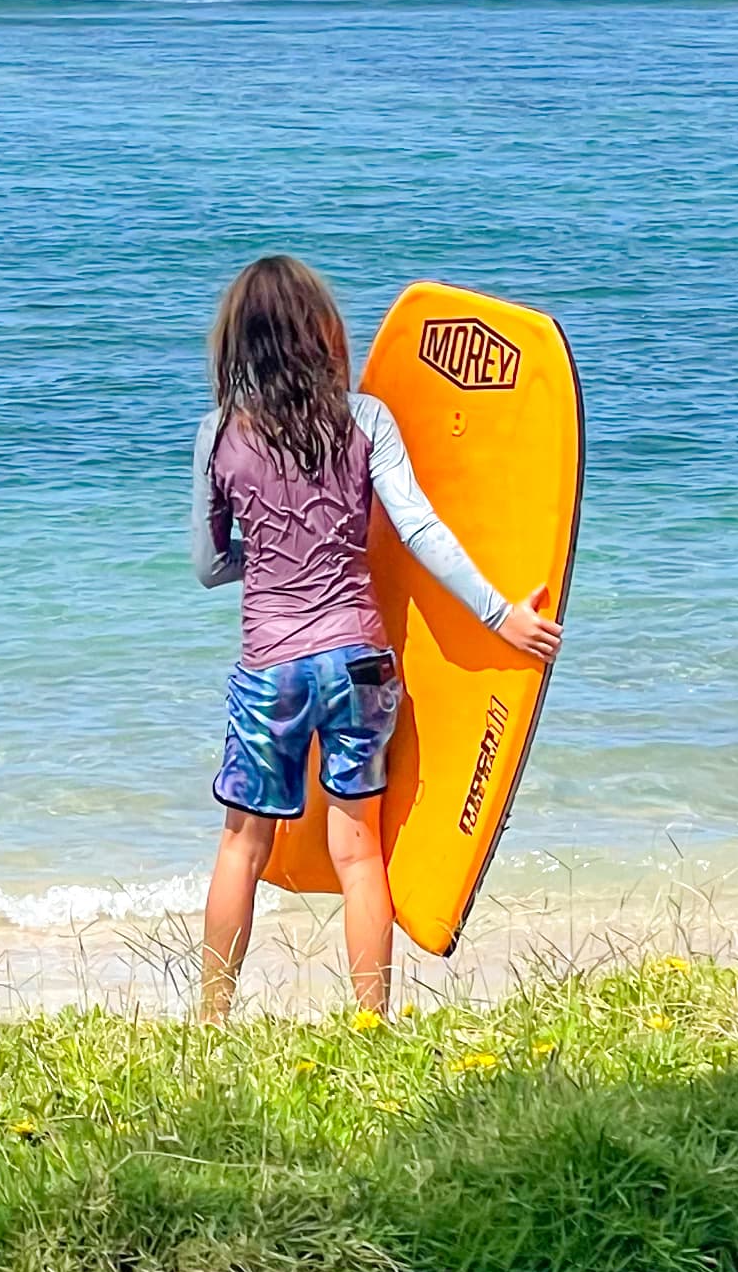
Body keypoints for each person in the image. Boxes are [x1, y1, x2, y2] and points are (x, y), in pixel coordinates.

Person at [192, 255, 559, 1023]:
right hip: (360, 663)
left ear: (236, 346)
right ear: (322, 334)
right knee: (359, 851)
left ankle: (211, 1022)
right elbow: (420, 528)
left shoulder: (219, 434)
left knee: (242, 848)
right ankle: (371, 1025)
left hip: (274, 670)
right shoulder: (366, 420)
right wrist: (503, 616)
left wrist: (268, 551)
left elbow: (209, 564)